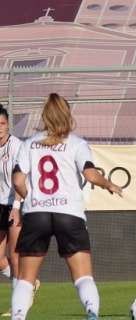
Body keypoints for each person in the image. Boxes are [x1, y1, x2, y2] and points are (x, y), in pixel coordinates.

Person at [10, 93, 122, 320]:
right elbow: (90, 174)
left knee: (25, 279)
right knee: (83, 277)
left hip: (36, 214)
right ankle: (92, 312)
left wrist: (29, 198)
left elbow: (18, 181)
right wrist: (108, 184)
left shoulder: (29, 143)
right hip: (69, 214)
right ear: (68, 115)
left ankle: (18, 316)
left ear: (44, 116)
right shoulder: (77, 143)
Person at [0, 104, 39, 318]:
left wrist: (16, 207)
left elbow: (19, 180)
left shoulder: (17, 146)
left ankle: (18, 303)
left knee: (15, 255)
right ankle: (28, 284)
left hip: (16, 203)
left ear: (8, 125)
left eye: (3, 124)